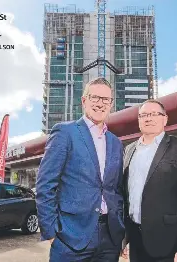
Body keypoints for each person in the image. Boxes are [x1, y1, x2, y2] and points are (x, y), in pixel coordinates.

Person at [36, 77, 125, 262]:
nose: (100, 103)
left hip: (109, 237)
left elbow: (116, 189)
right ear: (84, 101)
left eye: (105, 99)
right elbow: (45, 185)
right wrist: (51, 233)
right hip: (70, 237)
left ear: (111, 104)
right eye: (95, 97)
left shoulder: (116, 142)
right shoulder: (64, 132)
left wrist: (120, 226)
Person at [121, 99, 177, 262]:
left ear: (165, 119)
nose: (148, 118)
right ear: (138, 120)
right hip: (136, 241)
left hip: (169, 243)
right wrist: (126, 238)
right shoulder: (129, 150)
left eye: (154, 114)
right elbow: (126, 197)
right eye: (143, 115)